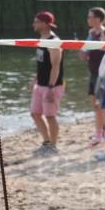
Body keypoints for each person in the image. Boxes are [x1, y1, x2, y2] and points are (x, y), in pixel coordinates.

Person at [30, 11, 64, 154]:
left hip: (52, 85)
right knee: (35, 113)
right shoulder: (41, 39)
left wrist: (50, 87)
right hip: (40, 84)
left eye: (36, 21)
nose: (34, 24)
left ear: (45, 24)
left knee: (50, 116)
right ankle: (46, 142)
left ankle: (53, 146)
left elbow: (55, 65)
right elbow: (42, 64)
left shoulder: (53, 41)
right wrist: (35, 80)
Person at [79, 7, 105, 146]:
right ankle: (98, 134)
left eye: (90, 17)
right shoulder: (91, 34)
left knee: (103, 106)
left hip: (104, 74)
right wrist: (82, 49)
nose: (88, 19)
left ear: (98, 19)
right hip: (93, 73)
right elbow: (84, 55)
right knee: (95, 106)